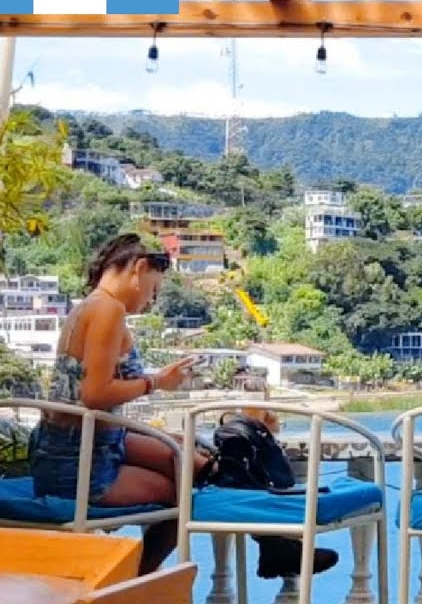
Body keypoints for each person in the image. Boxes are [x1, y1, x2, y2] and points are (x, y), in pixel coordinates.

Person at [28, 233, 335, 577]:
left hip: (81, 443)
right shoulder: (108, 310)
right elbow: (95, 395)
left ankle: (276, 545)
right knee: (184, 497)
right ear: (139, 268)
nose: (151, 300)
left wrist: (158, 380)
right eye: (154, 289)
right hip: (78, 461)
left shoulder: (90, 306)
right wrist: (156, 382)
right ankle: (128, 584)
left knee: (199, 459)